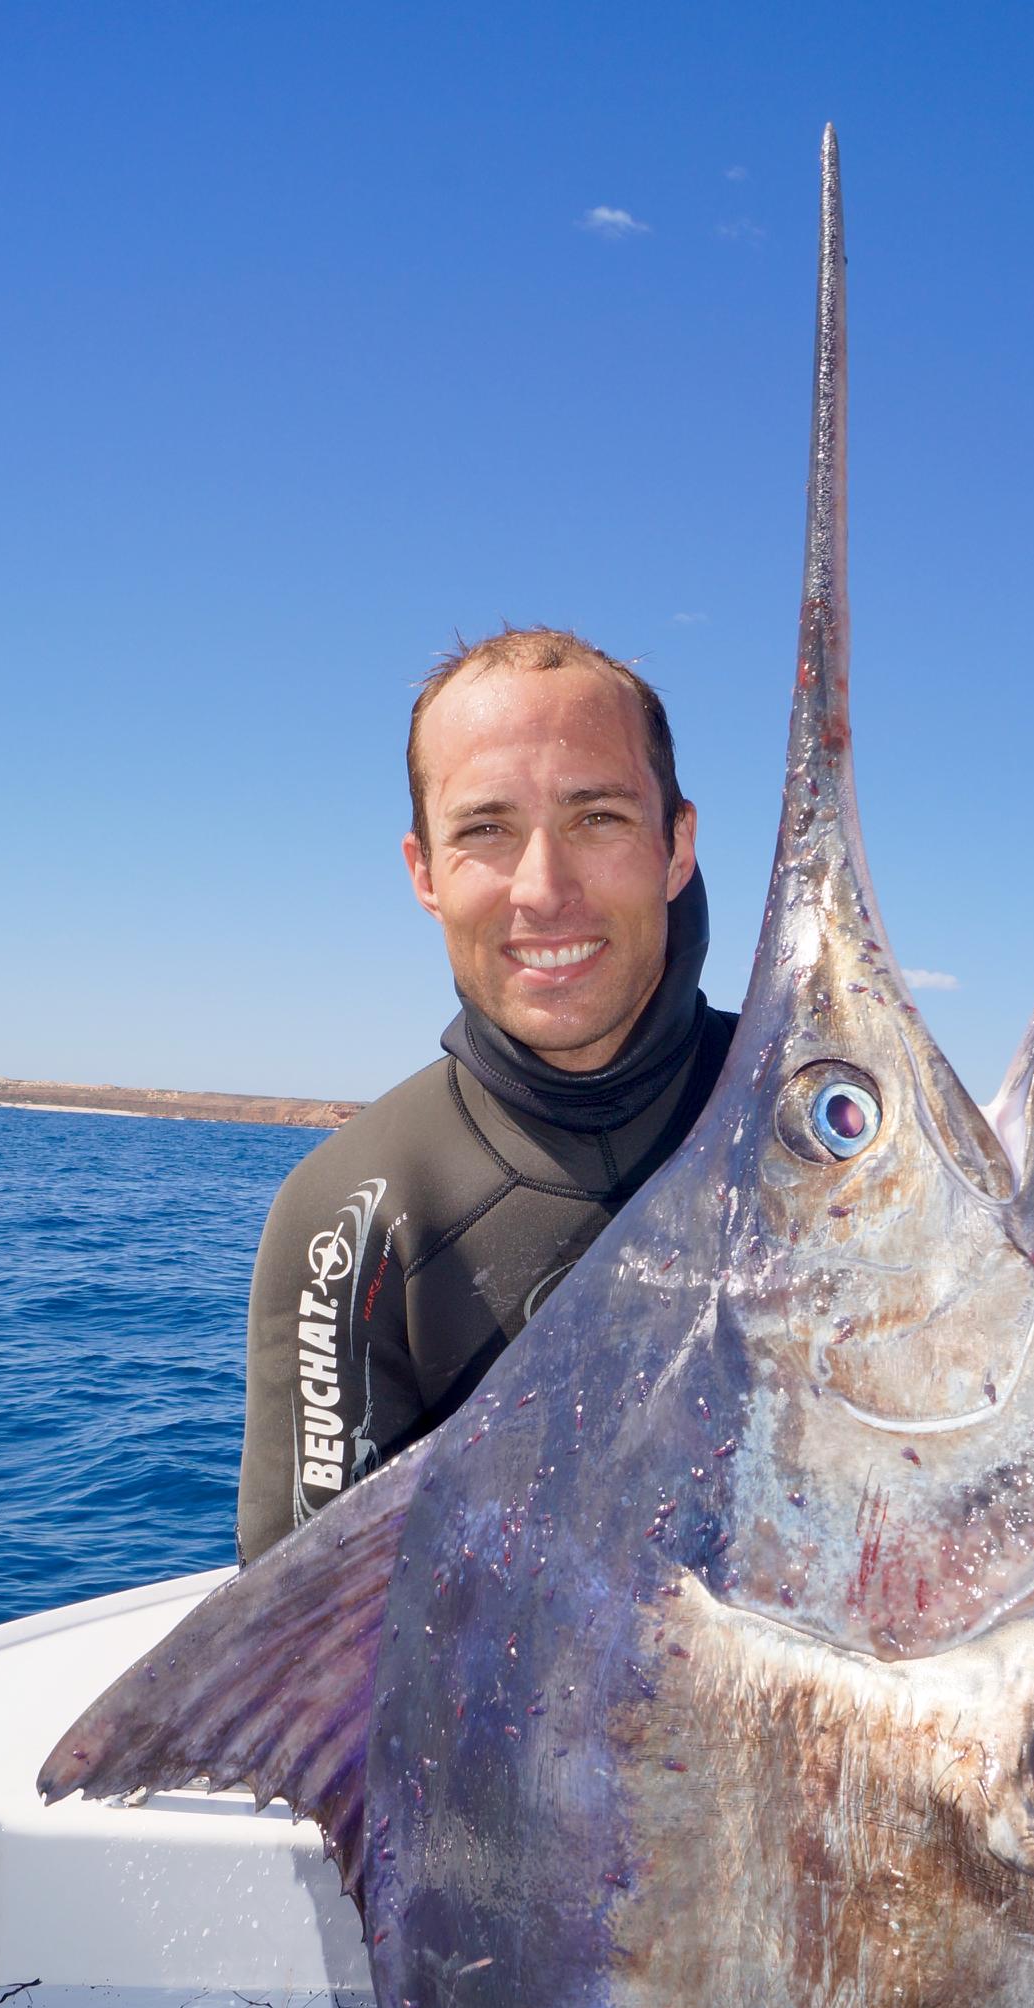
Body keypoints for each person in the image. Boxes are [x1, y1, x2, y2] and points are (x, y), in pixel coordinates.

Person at [234, 627, 737, 1563]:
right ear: (425, 874)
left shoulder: (827, 1128)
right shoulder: (351, 1219)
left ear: (677, 847)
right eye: (486, 830)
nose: (544, 891)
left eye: (599, 817)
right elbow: (306, 1662)